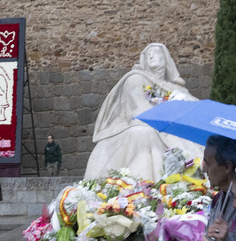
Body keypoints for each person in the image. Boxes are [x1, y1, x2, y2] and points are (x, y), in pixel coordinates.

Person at [84, 43, 202, 180]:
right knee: (144, 132)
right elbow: (138, 110)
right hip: (139, 124)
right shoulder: (135, 79)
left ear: (165, 58)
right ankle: (148, 181)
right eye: (148, 54)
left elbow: (194, 106)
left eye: (155, 52)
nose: (151, 55)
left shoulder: (175, 88)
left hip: (172, 126)